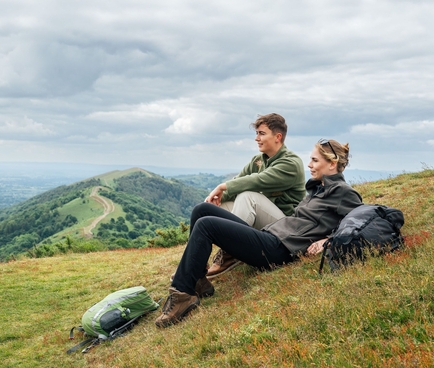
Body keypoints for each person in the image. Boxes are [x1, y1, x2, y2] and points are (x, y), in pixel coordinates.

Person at [155, 139, 363, 328]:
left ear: (332, 164)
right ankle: (198, 280)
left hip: (279, 249)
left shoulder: (343, 192)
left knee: (206, 225)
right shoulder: (320, 188)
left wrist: (328, 240)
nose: (309, 164)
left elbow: (359, 221)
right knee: (202, 210)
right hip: (272, 235)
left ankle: (183, 295)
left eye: (314, 160)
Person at [203, 113, 306, 277]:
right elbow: (239, 181)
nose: (257, 138)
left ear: (277, 137)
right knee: (213, 209)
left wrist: (222, 186)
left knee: (248, 196)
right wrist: (217, 198)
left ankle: (230, 253)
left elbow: (257, 181)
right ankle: (199, 265)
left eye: (261, 133)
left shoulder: (291, 163)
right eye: (257, 133)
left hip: (285, 225)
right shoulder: (258, 160)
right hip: (265, 222)